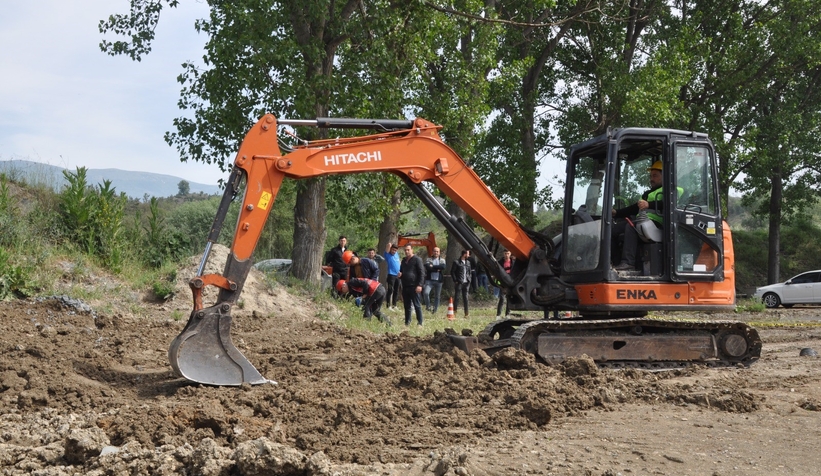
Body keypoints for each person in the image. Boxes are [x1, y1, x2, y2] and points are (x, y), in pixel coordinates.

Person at [611, 160, 667, 270]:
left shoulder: (671, 190)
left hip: (658, 224)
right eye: (650, 176)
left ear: (664, 176)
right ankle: (615, 263)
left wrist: (649, 204)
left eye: (655, 176)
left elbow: (668, 204)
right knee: (612, 230)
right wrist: (617, 212)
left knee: (631, 227)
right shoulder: (647, 193)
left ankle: (628, 262)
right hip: (642, 221)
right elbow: (635, 208)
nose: (651, 179)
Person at [399, 244, 425, 326]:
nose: (406, 251)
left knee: (417, 305)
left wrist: (420, 285)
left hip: (414, 286)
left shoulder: (417, 259)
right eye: (405, 250)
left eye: (408, 250)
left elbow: (422, 273)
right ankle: (407, 322)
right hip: (405, 285)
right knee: (407, 306)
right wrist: (400, 275)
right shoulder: (403, 261)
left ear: (412, 250)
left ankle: (420, 322)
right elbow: (401, 271)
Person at [423, 246, 445, 314]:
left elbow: (443, 267)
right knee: (426, 293)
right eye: (435, 251)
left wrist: (433, 267)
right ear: (432, 252)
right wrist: (437, 269)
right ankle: (428, 306)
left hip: (439, 281)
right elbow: (427, 267)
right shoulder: (429, 259)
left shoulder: (442, 260)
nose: (436, 253)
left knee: (437, 296)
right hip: (429, 280)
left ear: (439, 252)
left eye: (437, 251)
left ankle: (435, 309)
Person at [450, 250, 471, 318]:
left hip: (466, 283)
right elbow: (452, 272)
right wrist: (455, 280)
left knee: (466, 298)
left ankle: (466, 313)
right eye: (468, 254)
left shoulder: (468, 262)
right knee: (457, 298)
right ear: (464, 254)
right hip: (459, 282)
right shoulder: (456, 262)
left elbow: (469, 272)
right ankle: (454, 312)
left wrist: (469, 279)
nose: (469, 255)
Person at [496, 250, 513, 320]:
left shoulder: (513, 262)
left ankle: (507, 314)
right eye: (505, 253)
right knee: (502, 298)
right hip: (502, 282)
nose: (506, 255)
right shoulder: (500, 262)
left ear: (510, 254)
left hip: (511, 282)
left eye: (508, 253)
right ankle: (498, 315)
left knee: (509, 299)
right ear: (503, 254)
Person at [383, 242, 401, 309]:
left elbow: (399, 262)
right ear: (390, 249)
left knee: (396, 290)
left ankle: (394, 305)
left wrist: (401, 271)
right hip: (391, 275)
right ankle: (388, 305)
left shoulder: (396, 254)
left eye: (395, 250)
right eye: (393, 250)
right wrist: (390, 245)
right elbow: (388, 245)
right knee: (390, 290)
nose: (394, 251)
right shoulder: (387, 254)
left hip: (398, 275)